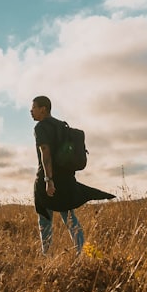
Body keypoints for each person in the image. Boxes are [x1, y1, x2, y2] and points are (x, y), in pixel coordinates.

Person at [30, 95, 114, 256]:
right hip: (66, 179)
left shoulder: (40, 127)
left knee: (44, 219)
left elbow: (45, 153)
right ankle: (81, 253)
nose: (31, 111)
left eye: (33, 108)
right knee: (69, 218)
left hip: (49, 179)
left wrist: (48, 180)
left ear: (43, 109)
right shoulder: (62, 125)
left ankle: (47, 257)